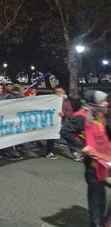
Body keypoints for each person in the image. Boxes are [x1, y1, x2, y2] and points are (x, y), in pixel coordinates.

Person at [61, 90, 110, 227]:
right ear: (94, 103)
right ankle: (96, 223)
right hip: (93, 165)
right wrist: (82, 146)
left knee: (101, 197)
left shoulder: (99, 114)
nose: (106, 103)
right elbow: (65, 131)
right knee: (97, 198)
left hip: (105, 159)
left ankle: (105, 220)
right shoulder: (82, 117)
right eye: (103, 101)